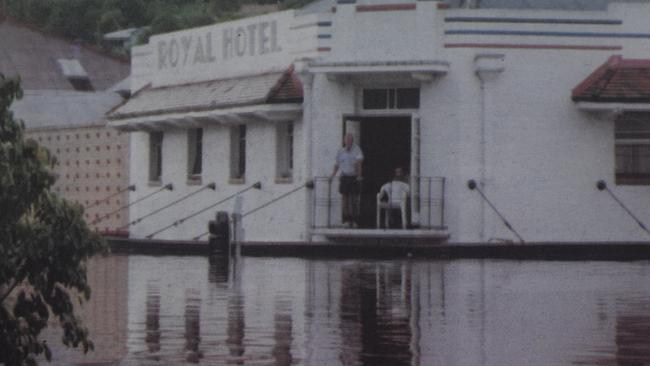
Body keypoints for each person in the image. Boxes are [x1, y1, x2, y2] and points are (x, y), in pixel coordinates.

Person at [330, 133, 364, 228]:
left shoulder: (357, 150)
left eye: (350, 140)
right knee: (345, 200)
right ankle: (346, 220)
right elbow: (337, 164)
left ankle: (355, 220)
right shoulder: (340, 151)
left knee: (354, 200)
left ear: (352, 141)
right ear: (344, 141)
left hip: (353, 177)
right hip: (344, 177)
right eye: (347, 140)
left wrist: (359, 176)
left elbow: (359, 163)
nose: (348, 142)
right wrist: (332, 175)